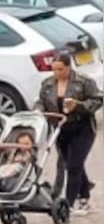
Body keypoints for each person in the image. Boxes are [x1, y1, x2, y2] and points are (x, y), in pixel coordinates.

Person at [36, 53, 102, 214]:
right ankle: (85, 194)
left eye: (60, 69)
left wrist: (79, 106)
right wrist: (38, 112)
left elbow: (98, 99)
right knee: (73, 163)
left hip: (82, 128)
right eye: (54, 70)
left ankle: (69, 204)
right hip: (60, 129)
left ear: (68, 67)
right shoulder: (48, 84)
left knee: (73, 166)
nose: (57, 73)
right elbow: (40, 101)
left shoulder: (84, 81)